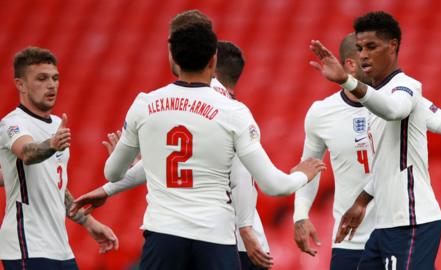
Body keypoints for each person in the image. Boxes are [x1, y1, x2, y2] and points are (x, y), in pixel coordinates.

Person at [103, 17, 324, 270]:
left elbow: (112, 173)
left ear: (173, 58)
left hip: (163, 235)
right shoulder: (233, 112)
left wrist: (131, 164)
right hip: (213, 237)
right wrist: (301, 176)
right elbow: (273, 186)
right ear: (213, 60)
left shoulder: (144, 104)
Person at [70, 40, 274, 269]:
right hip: (230, 239)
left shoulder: (213, 112)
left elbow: (241, 178)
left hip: (220, 238)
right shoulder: (233, 116)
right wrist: (109, 188)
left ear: (209, 66)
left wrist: (111, 186)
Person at [293, 33, 441, 270]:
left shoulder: (399, 103)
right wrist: (300, 214)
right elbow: (309, 167)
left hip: (398, 231)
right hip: (350, 241)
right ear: (351, 65)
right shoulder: (321, 113)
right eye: (367, 58)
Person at [0, 47, 119, 270]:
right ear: (20, 84)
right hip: (27, 246)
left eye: (55, 78)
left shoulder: (56, 125)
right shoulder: (13, 123)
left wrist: (89, 223)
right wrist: (51, 144)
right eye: (41, 79)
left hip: (60, 248)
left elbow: (55, 186)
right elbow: (27, 152)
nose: (51, 84)